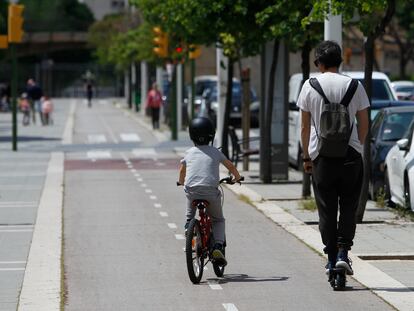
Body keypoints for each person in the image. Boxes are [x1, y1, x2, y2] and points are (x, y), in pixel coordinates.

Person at [297, 40, 369, 276]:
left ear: (319, 63)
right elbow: (364, 123)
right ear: (340, 61)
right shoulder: (355, 86)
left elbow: (305, 127)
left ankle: (330, 258)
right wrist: (357, 146)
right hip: (350, 156)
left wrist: (307, 157)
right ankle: (343, 253)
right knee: (349, 206)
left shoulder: (310, 85)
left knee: (326, 209)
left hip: (322, 156)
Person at [178, 117, 241, 265]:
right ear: (211, 135)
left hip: (192, 191)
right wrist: (237, 177)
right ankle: (218, 245)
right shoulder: (215, 152)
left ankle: (189, 225)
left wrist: (181, 182)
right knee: (218, 219)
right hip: (211, 192)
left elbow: (182, 170)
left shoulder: (189, 152)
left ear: (191, 135)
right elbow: (230, 166)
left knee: (189, 196)